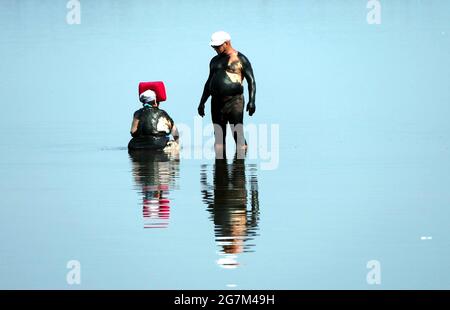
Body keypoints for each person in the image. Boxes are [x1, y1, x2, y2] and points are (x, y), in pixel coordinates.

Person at [197, 31, 256, 159]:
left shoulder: (240, 59)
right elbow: (208, 82)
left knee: (237, 133)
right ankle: (219, 173)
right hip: (216, 102)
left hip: (235, 102)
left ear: (227, 43)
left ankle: (239, 167)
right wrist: (202, 102)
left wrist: (252, 101)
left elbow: (251, 81)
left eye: (217, 46)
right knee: (219, 136)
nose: (215, 49)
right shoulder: (214, 61)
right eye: (213, 46)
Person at [128, 81, 180, 151]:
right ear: (155, 101)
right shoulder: (162, 113)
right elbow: (174, 131)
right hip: (158, 145)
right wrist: (177, 143)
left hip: (136, 146)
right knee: (175, 147)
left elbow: (132, 131)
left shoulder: (137, 113)